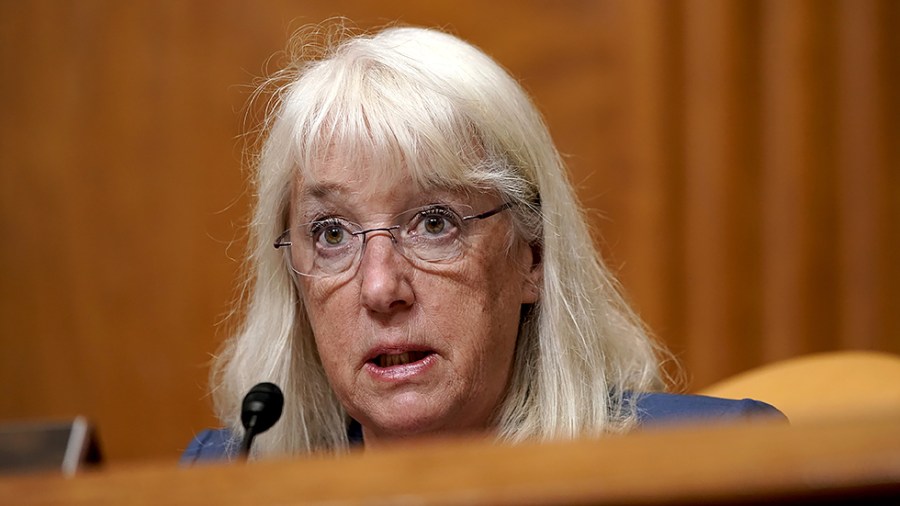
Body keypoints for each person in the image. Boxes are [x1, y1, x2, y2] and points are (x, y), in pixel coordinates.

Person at [183, 25, 782, 463]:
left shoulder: (717, 461)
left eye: (435, 222)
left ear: (534, 256)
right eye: (332, 233)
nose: (380, 287)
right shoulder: (228, 480)